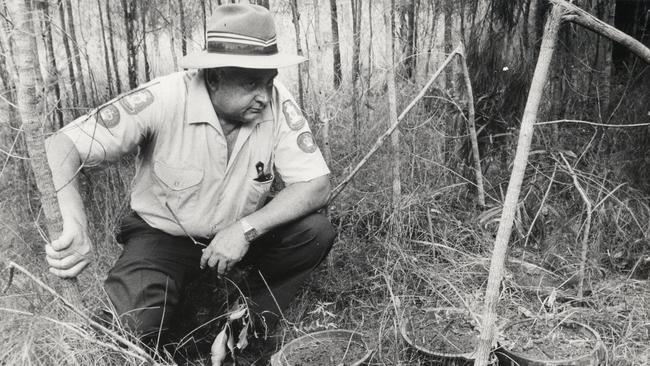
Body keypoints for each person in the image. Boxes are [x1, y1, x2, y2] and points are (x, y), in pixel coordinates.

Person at [44, 3, 335, 356]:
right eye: (251, 82)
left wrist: (245, 229)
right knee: (127, 333)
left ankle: (243, 326)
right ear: (213, 76)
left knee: (314, 233)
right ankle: (180, 322)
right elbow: (62, 145)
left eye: (269, 80)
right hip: (164, 236)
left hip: (237, 233)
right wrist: (75, 223)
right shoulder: (166, 97)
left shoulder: (274, 101)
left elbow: (316, 184)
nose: (264, 95)